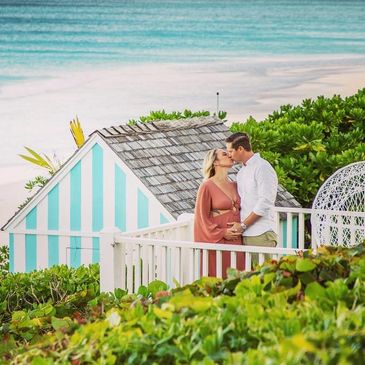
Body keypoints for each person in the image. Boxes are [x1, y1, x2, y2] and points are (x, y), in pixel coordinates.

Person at [194, 149, 245, 278]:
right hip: (218, 239)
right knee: (219, 277)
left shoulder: (235, 185)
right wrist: (223, 233)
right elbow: (201, 218)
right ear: (215, 162)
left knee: (237, 277)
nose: (229, 154)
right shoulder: (207, 186)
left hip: (236, 238)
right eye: (224, 154)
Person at [225, 132, 278, 251]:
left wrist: (243, 225)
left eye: (230, 151)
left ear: (240, 149)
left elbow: (265, 202)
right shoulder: (241, 172)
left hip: (261, 233)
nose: (229, 155)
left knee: (265, 270)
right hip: (246, 234)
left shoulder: (262, 167)